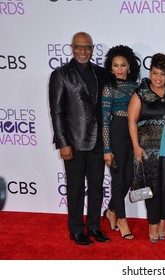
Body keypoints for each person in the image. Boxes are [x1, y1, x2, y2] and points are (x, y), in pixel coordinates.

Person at [48, 32, 110, 245]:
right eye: (79, 47)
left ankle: (94, 226)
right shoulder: (61, 75)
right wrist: (62, 142)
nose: (83, 51)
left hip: (98, 142)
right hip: (73, 142)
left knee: (96, 186)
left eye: (87, 47)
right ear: (72, 48)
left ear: (92, 49)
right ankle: (76, 229)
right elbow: (56, 112)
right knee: (75, 188)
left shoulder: (101, 73)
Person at [128, 53, 165, 243]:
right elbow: (132, 120)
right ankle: (152, 224)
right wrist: (135, 146)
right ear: (150, 72)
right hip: (147, 150)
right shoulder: (140, 92)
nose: (158, 78)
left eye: (162, 74)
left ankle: (162, 222)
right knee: (152, 188)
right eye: (155, 73)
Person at [101, 45, 141, 240]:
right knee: (118, 179)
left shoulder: (136, 88)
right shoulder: (109, 88)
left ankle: (110, 209)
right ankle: (122, 220)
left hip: (133, 136)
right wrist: (107, 149)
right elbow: (105, 122)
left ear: (129, 67)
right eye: (115, 65)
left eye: (123, 65)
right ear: (110, 67)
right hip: (116, 134)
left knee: (128, 179)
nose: (119, 69)